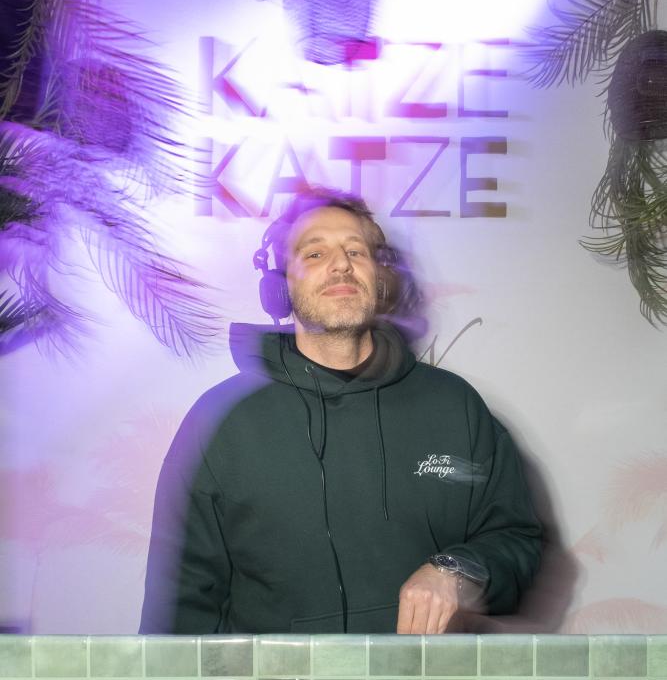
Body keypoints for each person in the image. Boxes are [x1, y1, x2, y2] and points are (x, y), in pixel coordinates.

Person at [140, 187, 541, 634]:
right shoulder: (221, 421)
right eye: (315, 254)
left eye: (356, 251)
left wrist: (457, 571)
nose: (341, 265)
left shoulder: (454, 406)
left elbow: (517, 540)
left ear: (379, 278)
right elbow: (180, 608)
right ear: (280, 287)